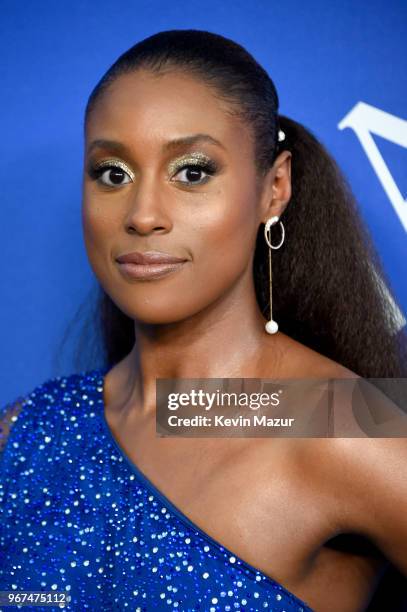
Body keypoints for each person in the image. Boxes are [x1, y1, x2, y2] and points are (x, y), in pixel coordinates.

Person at [1, 29, 406, 612]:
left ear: (275, 188)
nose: (142, 215)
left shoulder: (341, 420)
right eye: (112, 173)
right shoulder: (31, 430)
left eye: (192, 172)